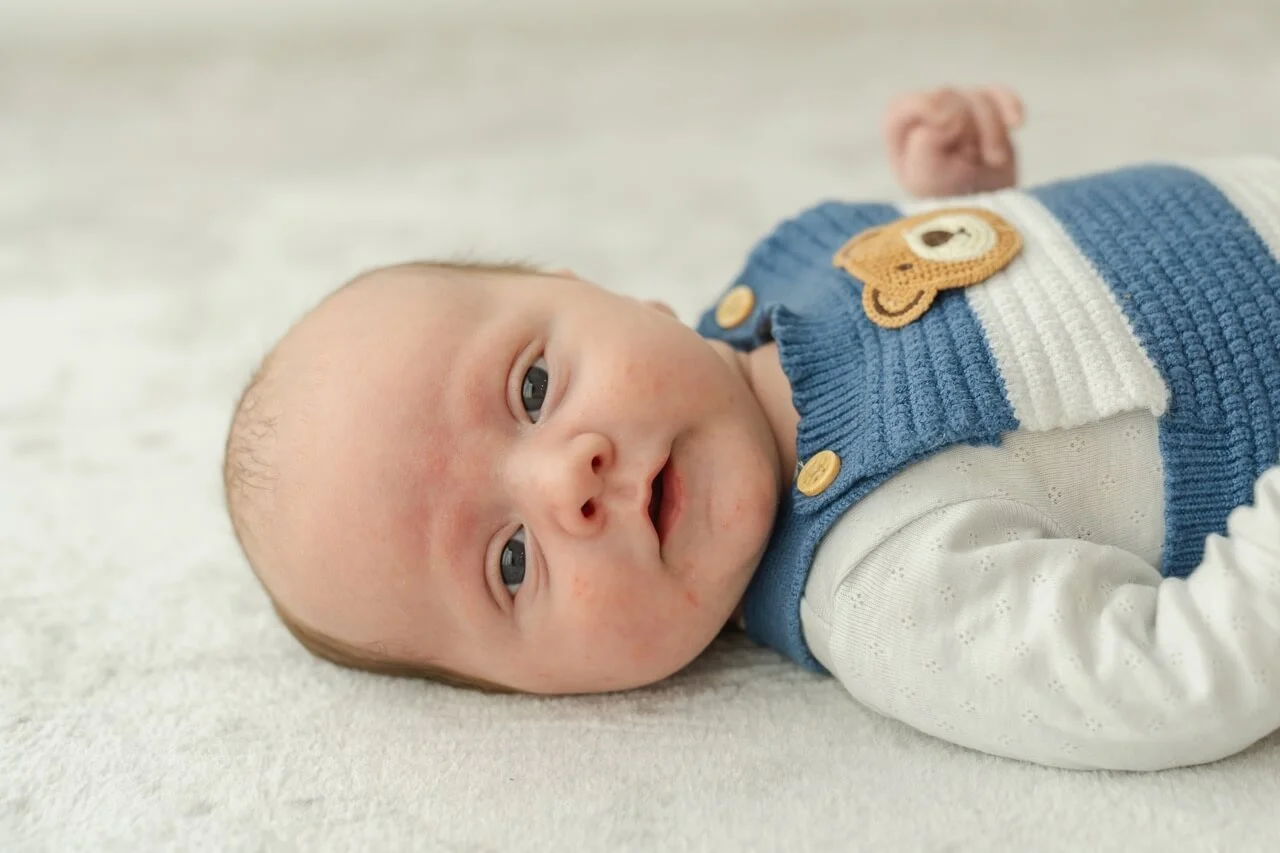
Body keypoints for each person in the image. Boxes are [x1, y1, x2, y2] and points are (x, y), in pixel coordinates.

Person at [223, 87, 1280, 770]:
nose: (566, 480)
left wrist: (967, 207)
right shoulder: (884, 588)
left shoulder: (770, 288)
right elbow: (1168, 681)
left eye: (534, 387)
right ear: (535, 694)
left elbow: (1009, 332)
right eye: (509, 560)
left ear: (598, 293)